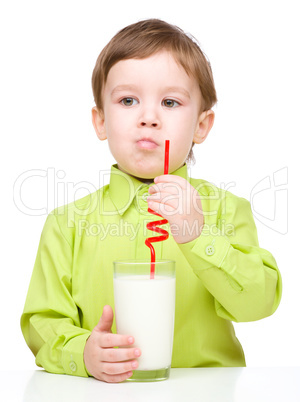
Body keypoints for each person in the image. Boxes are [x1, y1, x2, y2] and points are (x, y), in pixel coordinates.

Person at [21, 19, 282, 383]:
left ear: (201, 126)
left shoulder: (227, 211)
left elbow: (259, 302)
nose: (148, 118)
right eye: (128, 100)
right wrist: (81, 352)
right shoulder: (67, 223)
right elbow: (41, 322)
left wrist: (197, 235)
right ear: (100, 121)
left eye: (170, 102)